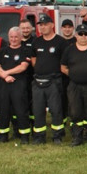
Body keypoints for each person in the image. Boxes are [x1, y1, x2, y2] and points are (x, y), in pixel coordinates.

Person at [30, 14, 68, 144]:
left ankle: (57, 136)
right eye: (41, 25)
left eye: (45, 24)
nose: (43, 27)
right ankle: (39, 136)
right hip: (38, 81)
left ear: (52, 25)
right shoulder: (36, 41)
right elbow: (33, 59)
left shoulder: (60, 42)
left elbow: (65, 62)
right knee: (38, 110)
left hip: (54, 81)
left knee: (56, 110)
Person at [0, 26, 32, 144]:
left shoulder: (25, 50)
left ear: (20, 37)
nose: (13, 39)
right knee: (3, 110)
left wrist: (7, 72)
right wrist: (4, 76)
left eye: (16, 37)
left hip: (19, 84)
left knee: (21, 110)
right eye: (11, 37)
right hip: (4, 84)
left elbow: (23, 66)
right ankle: (3, 136)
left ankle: (24, 136)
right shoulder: (3, 51)